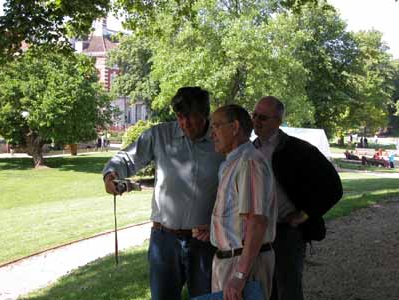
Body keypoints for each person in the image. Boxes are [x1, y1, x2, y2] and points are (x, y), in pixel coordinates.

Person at [102, 87, 224, 300]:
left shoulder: (221, 141)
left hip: (205, 243)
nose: (184, 123)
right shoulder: (160, 135)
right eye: (179, 117)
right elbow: (126, 158)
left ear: (205, 115)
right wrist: (111, 174)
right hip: (164, 240)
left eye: (191, 117)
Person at [252, 96, 343, 300]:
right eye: (254, 115)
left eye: (263, 118)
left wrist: (304, 214)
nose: (256, 121)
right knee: (262, 289)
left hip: (286, 233)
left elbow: (333, 188)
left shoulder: (300, 150)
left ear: (278, 121)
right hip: (256, 232)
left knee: (288, 290)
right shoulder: (249, 150)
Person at [209, 104, 277, 300]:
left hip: (243, 264)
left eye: (216, 126)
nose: (212, 134)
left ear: (235, 127)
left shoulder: (249, 162)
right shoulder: (233, 162)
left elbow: (257, 221)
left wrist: (240, 275)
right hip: (229, 261)